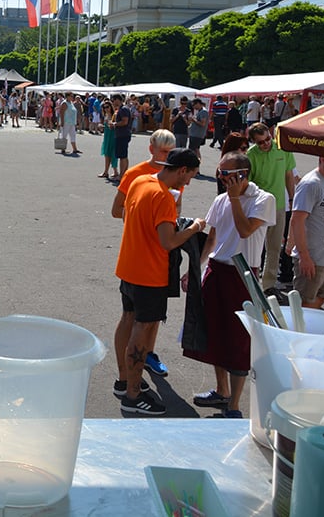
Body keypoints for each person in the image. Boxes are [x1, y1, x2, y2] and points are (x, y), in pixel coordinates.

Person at [114, 148, 205, 415]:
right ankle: (132, 395)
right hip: (149, 274)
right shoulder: (163, 197)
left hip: (129, 266)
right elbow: (169, 242)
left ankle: (124, 381)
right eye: (189, 177)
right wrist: (194, 228)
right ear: (181, 170)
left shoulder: (141, 181)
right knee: (142, 330)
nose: (187, 183)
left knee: (127, 320)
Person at [185, 151, 274, 419]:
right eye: (220, 173)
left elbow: (245, 230)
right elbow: (212, 238)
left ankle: (234, 404)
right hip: (217, 269)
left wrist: (235, 199)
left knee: (237, 339)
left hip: (242, 273)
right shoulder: (221, 199)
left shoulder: (264, 199)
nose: (222, 178)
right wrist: (195, 269)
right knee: (214, 333)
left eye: (226, 173)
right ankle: (221, 390)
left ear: (243, 174)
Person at [247, 122, 296, 295]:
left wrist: (292, 198)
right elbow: (248, 184)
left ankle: (268, 285)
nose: (266, 143)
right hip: (258, 208)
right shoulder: (251, 155)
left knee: (274, 248)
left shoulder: (282, 148)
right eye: (261, 142)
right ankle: (250, 283)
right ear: (253, 141)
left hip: (279, 206)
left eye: (268, 139)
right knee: (254, 248)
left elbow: (289, 175)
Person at [287, 156, 324, 309]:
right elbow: (297, 220)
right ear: (322, 159)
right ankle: (296, 332)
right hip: (314, 258)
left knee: (322, 298)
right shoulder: (310, 183)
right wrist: (304, 256)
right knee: (304, 304)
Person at [110, 94, 132, 182]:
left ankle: (122, 175)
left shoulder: (123, 109)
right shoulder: (123, 109)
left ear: (118, 100)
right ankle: (123, 174)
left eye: (113, 100)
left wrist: (115, 124)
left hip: (122, 134)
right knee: (124, 155)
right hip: (123, 134)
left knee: (122, 156)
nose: (113, 102)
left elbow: (124, 121)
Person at [187, 98, 209, 164]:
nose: (193, 107)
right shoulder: (200, 111)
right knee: (196, 150)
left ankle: (193, 165)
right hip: (195, 134)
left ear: (198, 103)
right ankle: (196, 166)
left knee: (192, 151)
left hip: (197, 135)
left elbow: (203, 123)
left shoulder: (203, 112)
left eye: (194, 105)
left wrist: (193, 119)